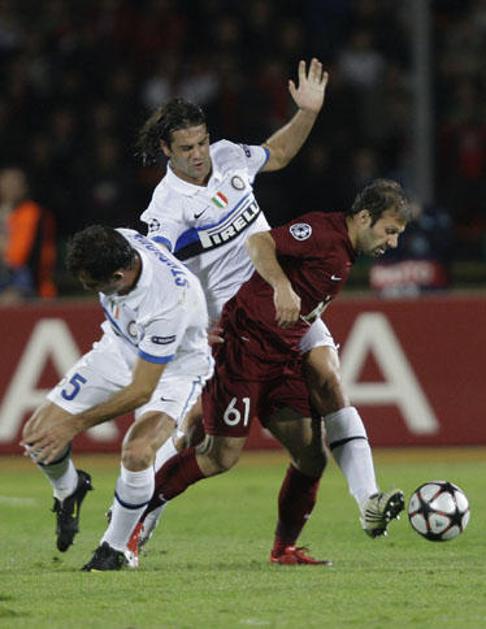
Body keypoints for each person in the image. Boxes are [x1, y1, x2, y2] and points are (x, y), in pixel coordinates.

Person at [133, 60, 400, 565]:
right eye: (186, 148)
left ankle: (366, 500)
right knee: (203, 438)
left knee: (326, 378)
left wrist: (307, 113)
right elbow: (158, 273)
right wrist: (190, 328)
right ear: (166, 150)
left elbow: (276, 153)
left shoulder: (228, 156)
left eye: (201, 142)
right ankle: (139, 514)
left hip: (287, 300)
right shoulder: (167, 207)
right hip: (236, 322)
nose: (198, 155)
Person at [21, 225, 213, 571]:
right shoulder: (120, 240)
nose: (88, 290)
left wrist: (74, 425)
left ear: (119, 276)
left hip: (174, 372)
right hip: (118, 349)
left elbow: (141, 390)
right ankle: (69, 489)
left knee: (138, 453)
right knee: (37, 435)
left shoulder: (167, 303)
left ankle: (114, 547)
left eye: (93, 285)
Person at [0, 167, 56, 301]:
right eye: (7, 183)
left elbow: (17, 257)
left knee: (11, 299)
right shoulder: (4, 213)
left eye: (16, 183)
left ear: (25, 188)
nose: (11, 188)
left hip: (26, 282)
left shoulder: (33, 213)